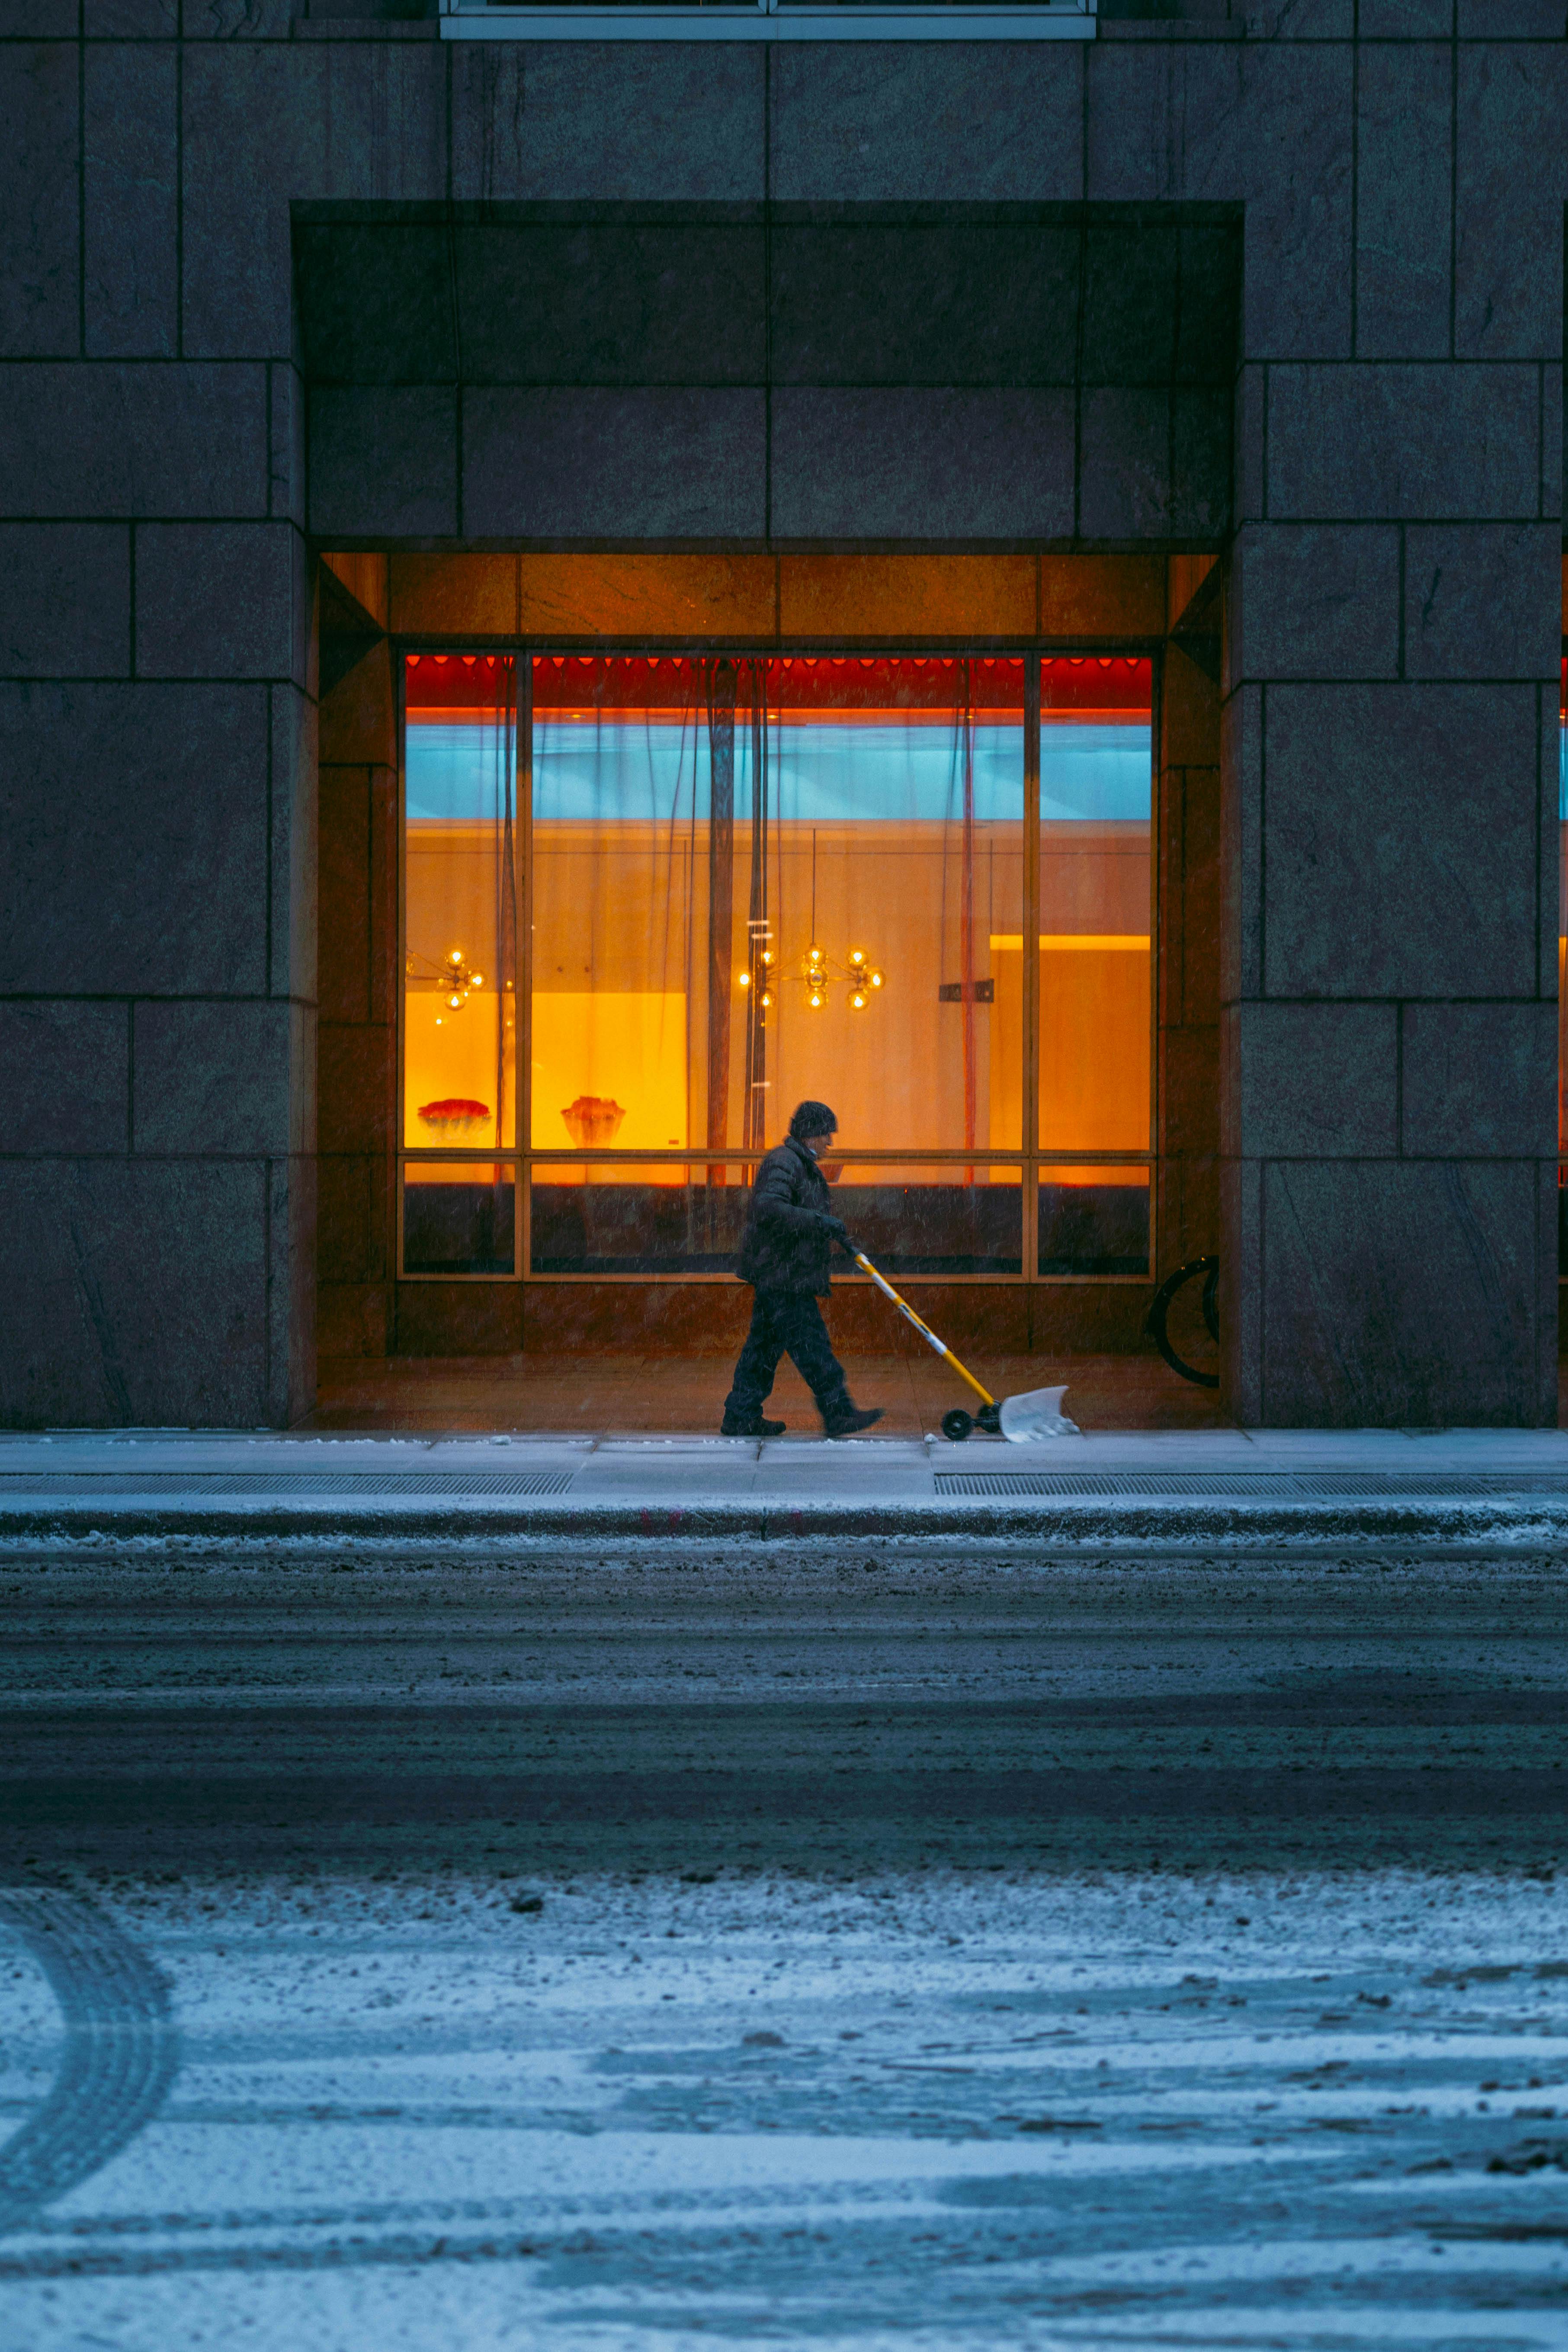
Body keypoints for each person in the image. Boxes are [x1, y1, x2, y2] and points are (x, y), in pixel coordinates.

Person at [721, 1101, 884, 1440]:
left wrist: (824, 1227)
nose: (830, 1144)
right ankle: (837, 1411)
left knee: (763, 1349)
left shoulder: (798, 1163)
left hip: (781, 1273)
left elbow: (789, 1211)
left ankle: (741, 1415)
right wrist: (818, 1222)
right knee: (812, 1345)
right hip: (784, 1277)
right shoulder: (785, 1162)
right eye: (827, 1135)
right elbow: (769, 1208)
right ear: (810, 1134)